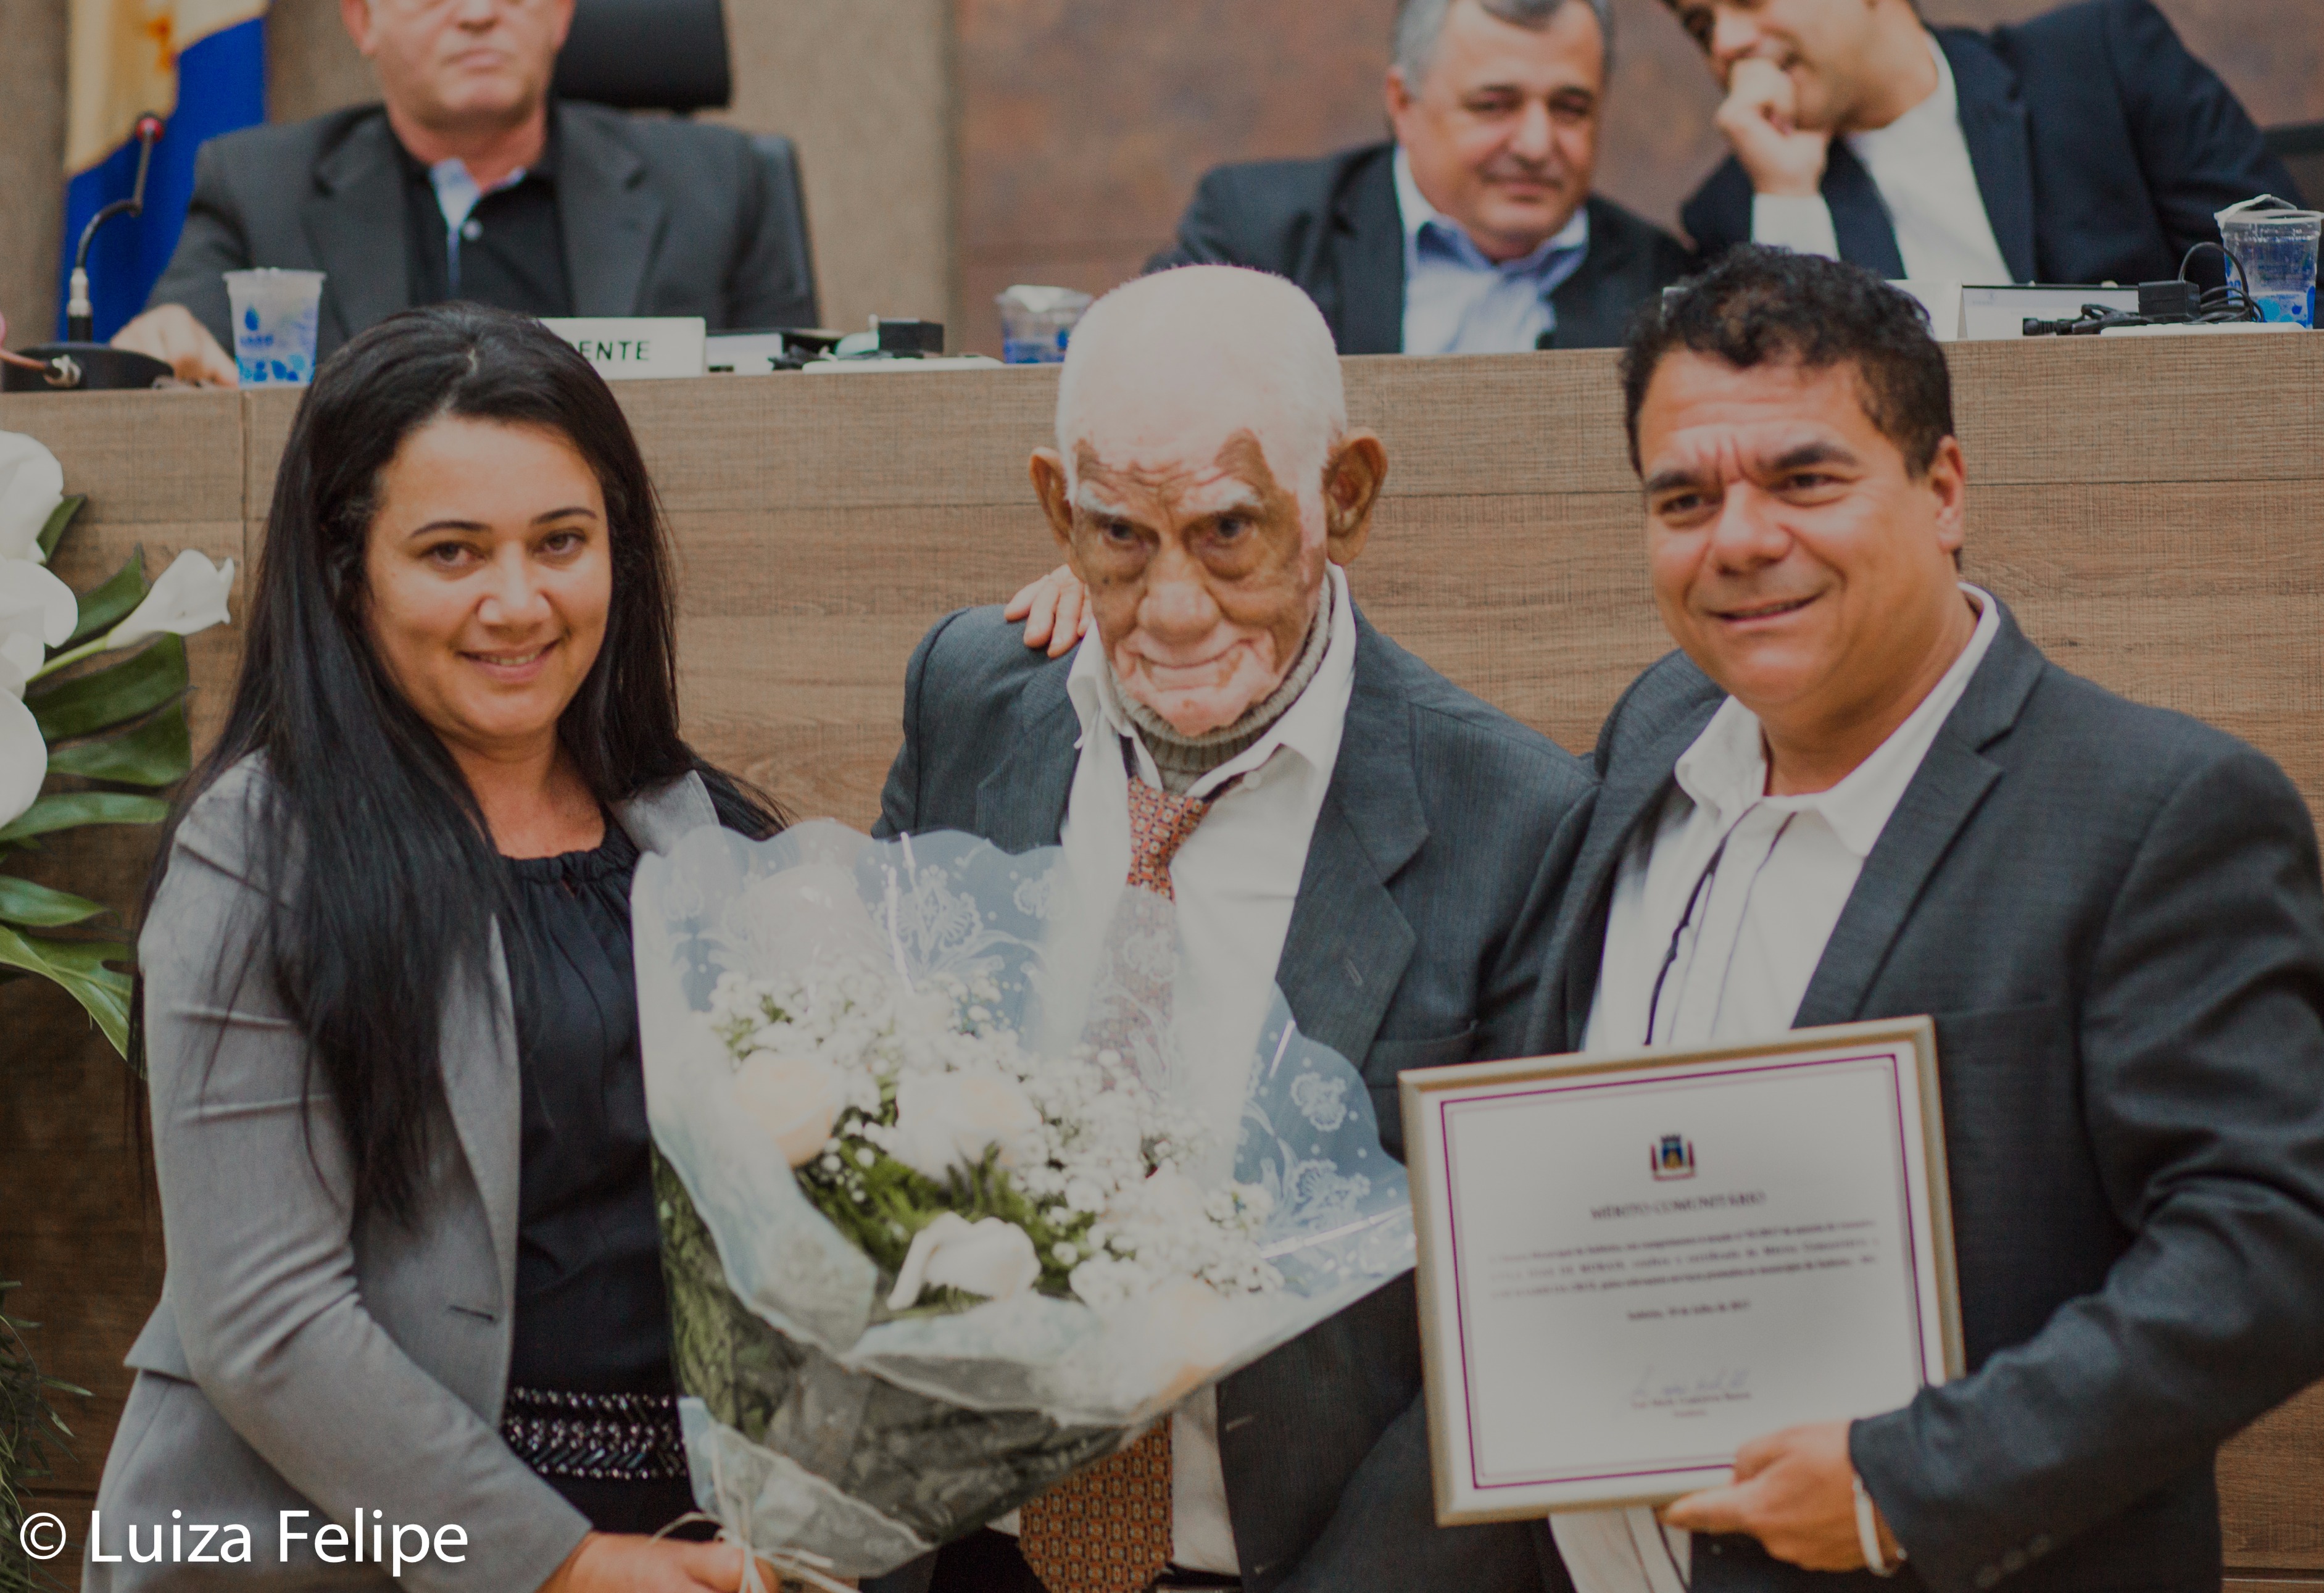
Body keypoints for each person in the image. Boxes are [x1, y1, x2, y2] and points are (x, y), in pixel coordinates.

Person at [1520, 247, 2324, 1592]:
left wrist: (1904, 1483)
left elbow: (2279, 1248)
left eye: (1805, 480)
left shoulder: (2156, 811)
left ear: (1942, 491)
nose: (1737, 540)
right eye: (1682, 498)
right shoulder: (1656, 736)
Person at [873, 265, 1593, 1593]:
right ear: (1058, 508)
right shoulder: (969, 697)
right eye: (1119, 535)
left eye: (1226, 532)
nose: (1173, 608)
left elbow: (1512, 1324)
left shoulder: (1515, 823)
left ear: (1345, 497)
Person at [88, 304, 787, 1593]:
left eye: (561, 542)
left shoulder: (702, 830)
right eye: (451, 552)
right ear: (345, 568)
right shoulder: (259, 851)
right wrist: (563, 1567)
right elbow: (265, 1323)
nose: (516, 603)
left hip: (682, 1547)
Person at [112, 0, 813, 387]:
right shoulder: (259, 190)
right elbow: (166, 364)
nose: (477, 13)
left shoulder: (720, 186)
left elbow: (796, 417)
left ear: (561, 13)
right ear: (362, 20)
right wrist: (157, 350)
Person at [1664, 0, 2324, 325]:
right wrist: (1787, 197)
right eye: (1700, 24)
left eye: (1744, 1)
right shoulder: (1739, 209)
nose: (1723, 44)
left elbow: (2312, 316)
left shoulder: (2100, 61)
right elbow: (1783, 431)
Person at [1147, 0, 1690, 356]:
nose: (1535, 145)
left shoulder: (1662, 283)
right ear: (1403, 104)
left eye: (1570, 109)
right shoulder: (1260, 240)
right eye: (1494, 105)